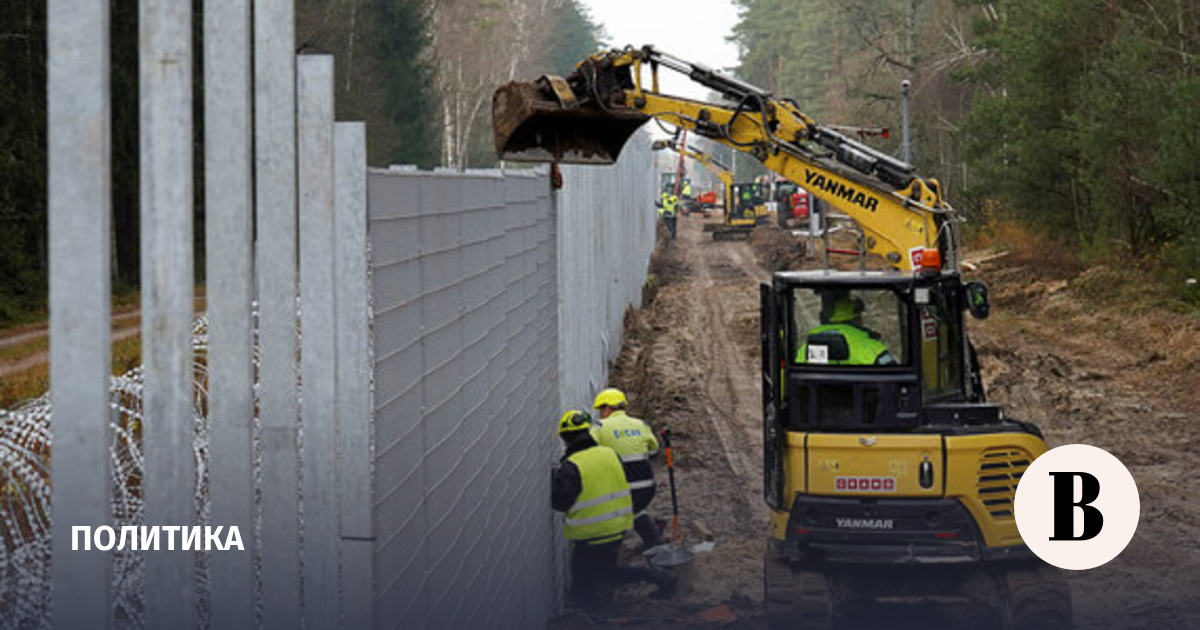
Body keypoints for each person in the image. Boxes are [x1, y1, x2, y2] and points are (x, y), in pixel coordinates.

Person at [551, 410, 672, 609]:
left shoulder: (571, 466)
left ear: (566, 439)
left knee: (599, 574)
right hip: (618, 524)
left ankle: (657, 576)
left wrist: (555, 481)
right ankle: (594, 602)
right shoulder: (610, 454)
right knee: (599, 571)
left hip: (592, 531)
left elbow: (560, 503)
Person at [590, 389, 664, 549]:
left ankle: (612, 555)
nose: (601, 414)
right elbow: (654, 450)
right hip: (647, 488)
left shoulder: (600, 426)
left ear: (607, 408)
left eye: (601, 410)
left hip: (620, 491)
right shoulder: (640, 424)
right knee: (636, 510)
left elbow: (588, 452)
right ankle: (655, 545)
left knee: (615, 517)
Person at [796, 289, 897, 366]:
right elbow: (894, 377)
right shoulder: (872, 348)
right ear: (856, 317)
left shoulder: (806, 349)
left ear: (823, 316)